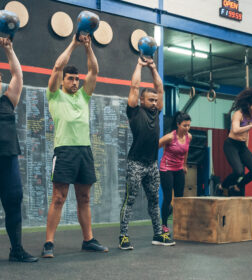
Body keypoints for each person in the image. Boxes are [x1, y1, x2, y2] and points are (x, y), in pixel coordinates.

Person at [42, 35, 108, 258]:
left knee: (85, 198)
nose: (74, 82)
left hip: (84, 151)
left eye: (76, 79)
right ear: (62, 81)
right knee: (58, 198)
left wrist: (88, 47)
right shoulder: (54, 95)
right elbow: (57, 66)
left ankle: (88, 239)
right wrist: (73, 43)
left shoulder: (83, 96)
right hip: (64, 151)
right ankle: (49, 242)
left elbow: (94, 71)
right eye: (70, 79)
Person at [119, 57, 175, 250]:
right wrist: (139, 65)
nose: (153, 103)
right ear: (141, 101)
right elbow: (134, 87)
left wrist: (152, 67)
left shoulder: (156, 112)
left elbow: (160, 88)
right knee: (130, 199)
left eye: (155, 101)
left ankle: (158, 234)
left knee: (153, 200)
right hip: (135, 163)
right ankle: (123, 236)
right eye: (150, 100)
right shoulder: (134, 111)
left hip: (151, 164)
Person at [0, 38, 38, 262]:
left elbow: (18, 76)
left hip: (8, 160)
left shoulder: (7, 100)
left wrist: (9, 49)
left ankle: (16, 250)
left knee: (14, 200)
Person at [159, 111, 192, 234]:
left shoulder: (189, 136)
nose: (187, 128)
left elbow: (186, 151)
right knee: (168, 198)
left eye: (189, 125)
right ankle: (164, 224)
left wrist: (184, 165)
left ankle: (179, 223)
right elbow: (156, 145)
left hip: (179, 169)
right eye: (185, 125)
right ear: (178, 125)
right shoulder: (170, 137)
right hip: (166, 169)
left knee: (179, 198)